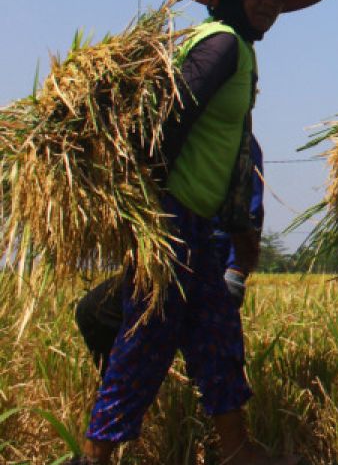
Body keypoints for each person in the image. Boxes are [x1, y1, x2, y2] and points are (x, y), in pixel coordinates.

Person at [80, 0, 329, 465]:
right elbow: (170, 120)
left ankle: (239, 455)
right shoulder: (221, 46)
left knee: (217, 334)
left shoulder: (236, 48)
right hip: (176, 219)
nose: (269, 4)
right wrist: (155, 208)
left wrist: (236, 224)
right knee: (146, 338)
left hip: (198, 223)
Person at [75, 138, 265, 374]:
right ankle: (134, 385)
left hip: (207, 262)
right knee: (96, 314)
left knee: (212, 360)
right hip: (166, 261)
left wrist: (235, 272)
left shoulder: (236, 139)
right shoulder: (167, 132)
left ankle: (134, 390)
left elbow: (249, 212)